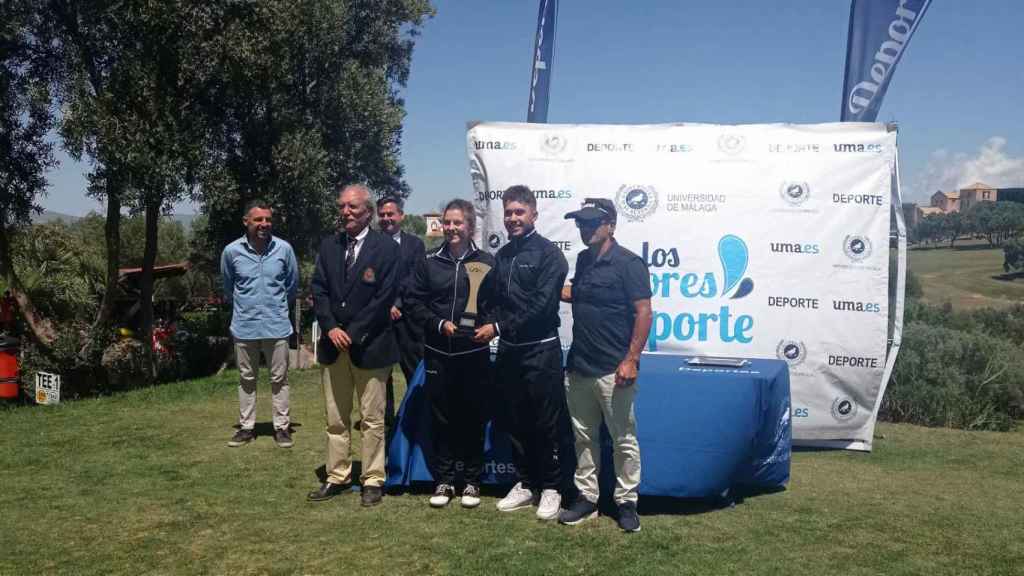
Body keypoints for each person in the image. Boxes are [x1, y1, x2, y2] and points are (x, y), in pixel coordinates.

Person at [472, 185, 569, 521]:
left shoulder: (550, 255)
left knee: (547, 423)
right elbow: (492, 300)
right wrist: (482, 322)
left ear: (534, 215)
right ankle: (526, 483)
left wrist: (497, 327)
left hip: (541, 351)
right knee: (516, 421)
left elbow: (542, 306)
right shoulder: (503, 256)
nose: (513, 218)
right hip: (510, 353)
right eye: (508, 213)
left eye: (519, 212)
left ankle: (552, 487)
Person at [557, 198, 652, 533]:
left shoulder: (629, 263)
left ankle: (627, 503)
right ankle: (587, 499)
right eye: (580, 223)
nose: (584, 228)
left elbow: (643, 311)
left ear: (610, 225)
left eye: (591, 222)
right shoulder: (583, 260)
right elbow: (580, 294)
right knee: (583, 439)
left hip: (614, 368)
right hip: (579, 366)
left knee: (623, 439)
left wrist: (631, 359)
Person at [308, 184, 400, 507]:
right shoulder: (329, 246)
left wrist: (353, 332)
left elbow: (384, 298)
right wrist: (331, 328)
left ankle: (372, 479)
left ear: (368, 212)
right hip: (333, 347)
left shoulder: (386, 248)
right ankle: (337, 475)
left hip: (370, 347)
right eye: (342, 206)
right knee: (336, 418)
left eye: (353, 207)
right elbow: (318, 289)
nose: (346, 212)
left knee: (372, 419)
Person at [405, 199, 496, 509]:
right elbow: (413, 302)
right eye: (447, 222)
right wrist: (438, 323)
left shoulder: (488, 262)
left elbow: (497, 303)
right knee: (442, 418)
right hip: (438, 353)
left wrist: (491, 326)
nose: (452, 228)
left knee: (473, 417)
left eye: (458, 222)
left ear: (470, 226)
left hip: (474, 353)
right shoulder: (428, 261)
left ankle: (472, 481)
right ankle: (443, 480)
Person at [220, 200, 299, 448]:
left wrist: (277, 308)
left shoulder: (284, 249)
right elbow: (228, 287)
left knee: (280, 379)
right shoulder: (231, 252)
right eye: (258, 220)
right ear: (246, 222)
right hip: (245, 326)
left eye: (268, 219)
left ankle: (282, 428)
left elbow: (292, 285)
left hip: (277, 325)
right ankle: (246, 428)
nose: (264, 224)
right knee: (246, 379)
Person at [376, 196, 426, 427]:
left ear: (401, 216)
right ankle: (385, 421)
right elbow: (368, 279)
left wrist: (397, 304)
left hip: (408, 322)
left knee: (413, 372)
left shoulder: (415, 245)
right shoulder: (371, 244)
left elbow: (415, 279)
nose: (386, 218)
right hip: (380, 321)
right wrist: (384, 305)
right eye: (382, 215)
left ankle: (415, 417)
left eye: (391, 214)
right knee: (381, 376)